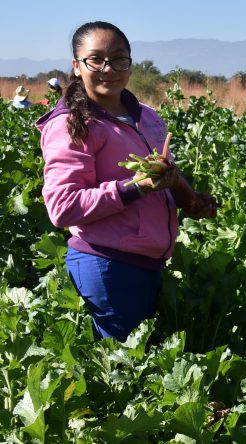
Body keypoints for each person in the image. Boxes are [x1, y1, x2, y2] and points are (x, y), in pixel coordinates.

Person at [38, 21, 218, 342]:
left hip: (147, 262)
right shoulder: (71, 123)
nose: (109, 69)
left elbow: (163, 174)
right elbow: (63, 207)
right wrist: (134, 188)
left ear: (130, 64)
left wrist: (189, 197)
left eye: (119, 59)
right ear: (77, 67)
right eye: (96, 59)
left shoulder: (146, 116)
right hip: (107, 265)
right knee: (126, 373)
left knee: (141, 364)